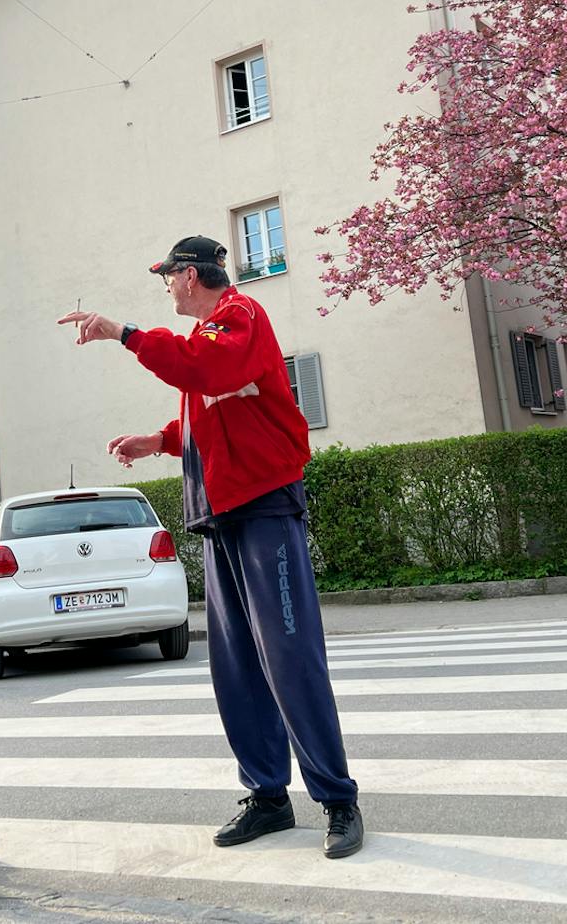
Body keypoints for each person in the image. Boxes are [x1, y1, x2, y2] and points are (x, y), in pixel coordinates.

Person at [57, 236, 363, 859]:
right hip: (221, 514)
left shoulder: (239, 316)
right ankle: (268, 798)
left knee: (289, 655)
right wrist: (160, 441)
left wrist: (124, 332)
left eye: (167, 277)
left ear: (190, 275)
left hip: (265, 506)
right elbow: (213, 406)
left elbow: (209, 372)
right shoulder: (209, 338)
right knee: (237, 665)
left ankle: (337, 800)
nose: (165, 287)